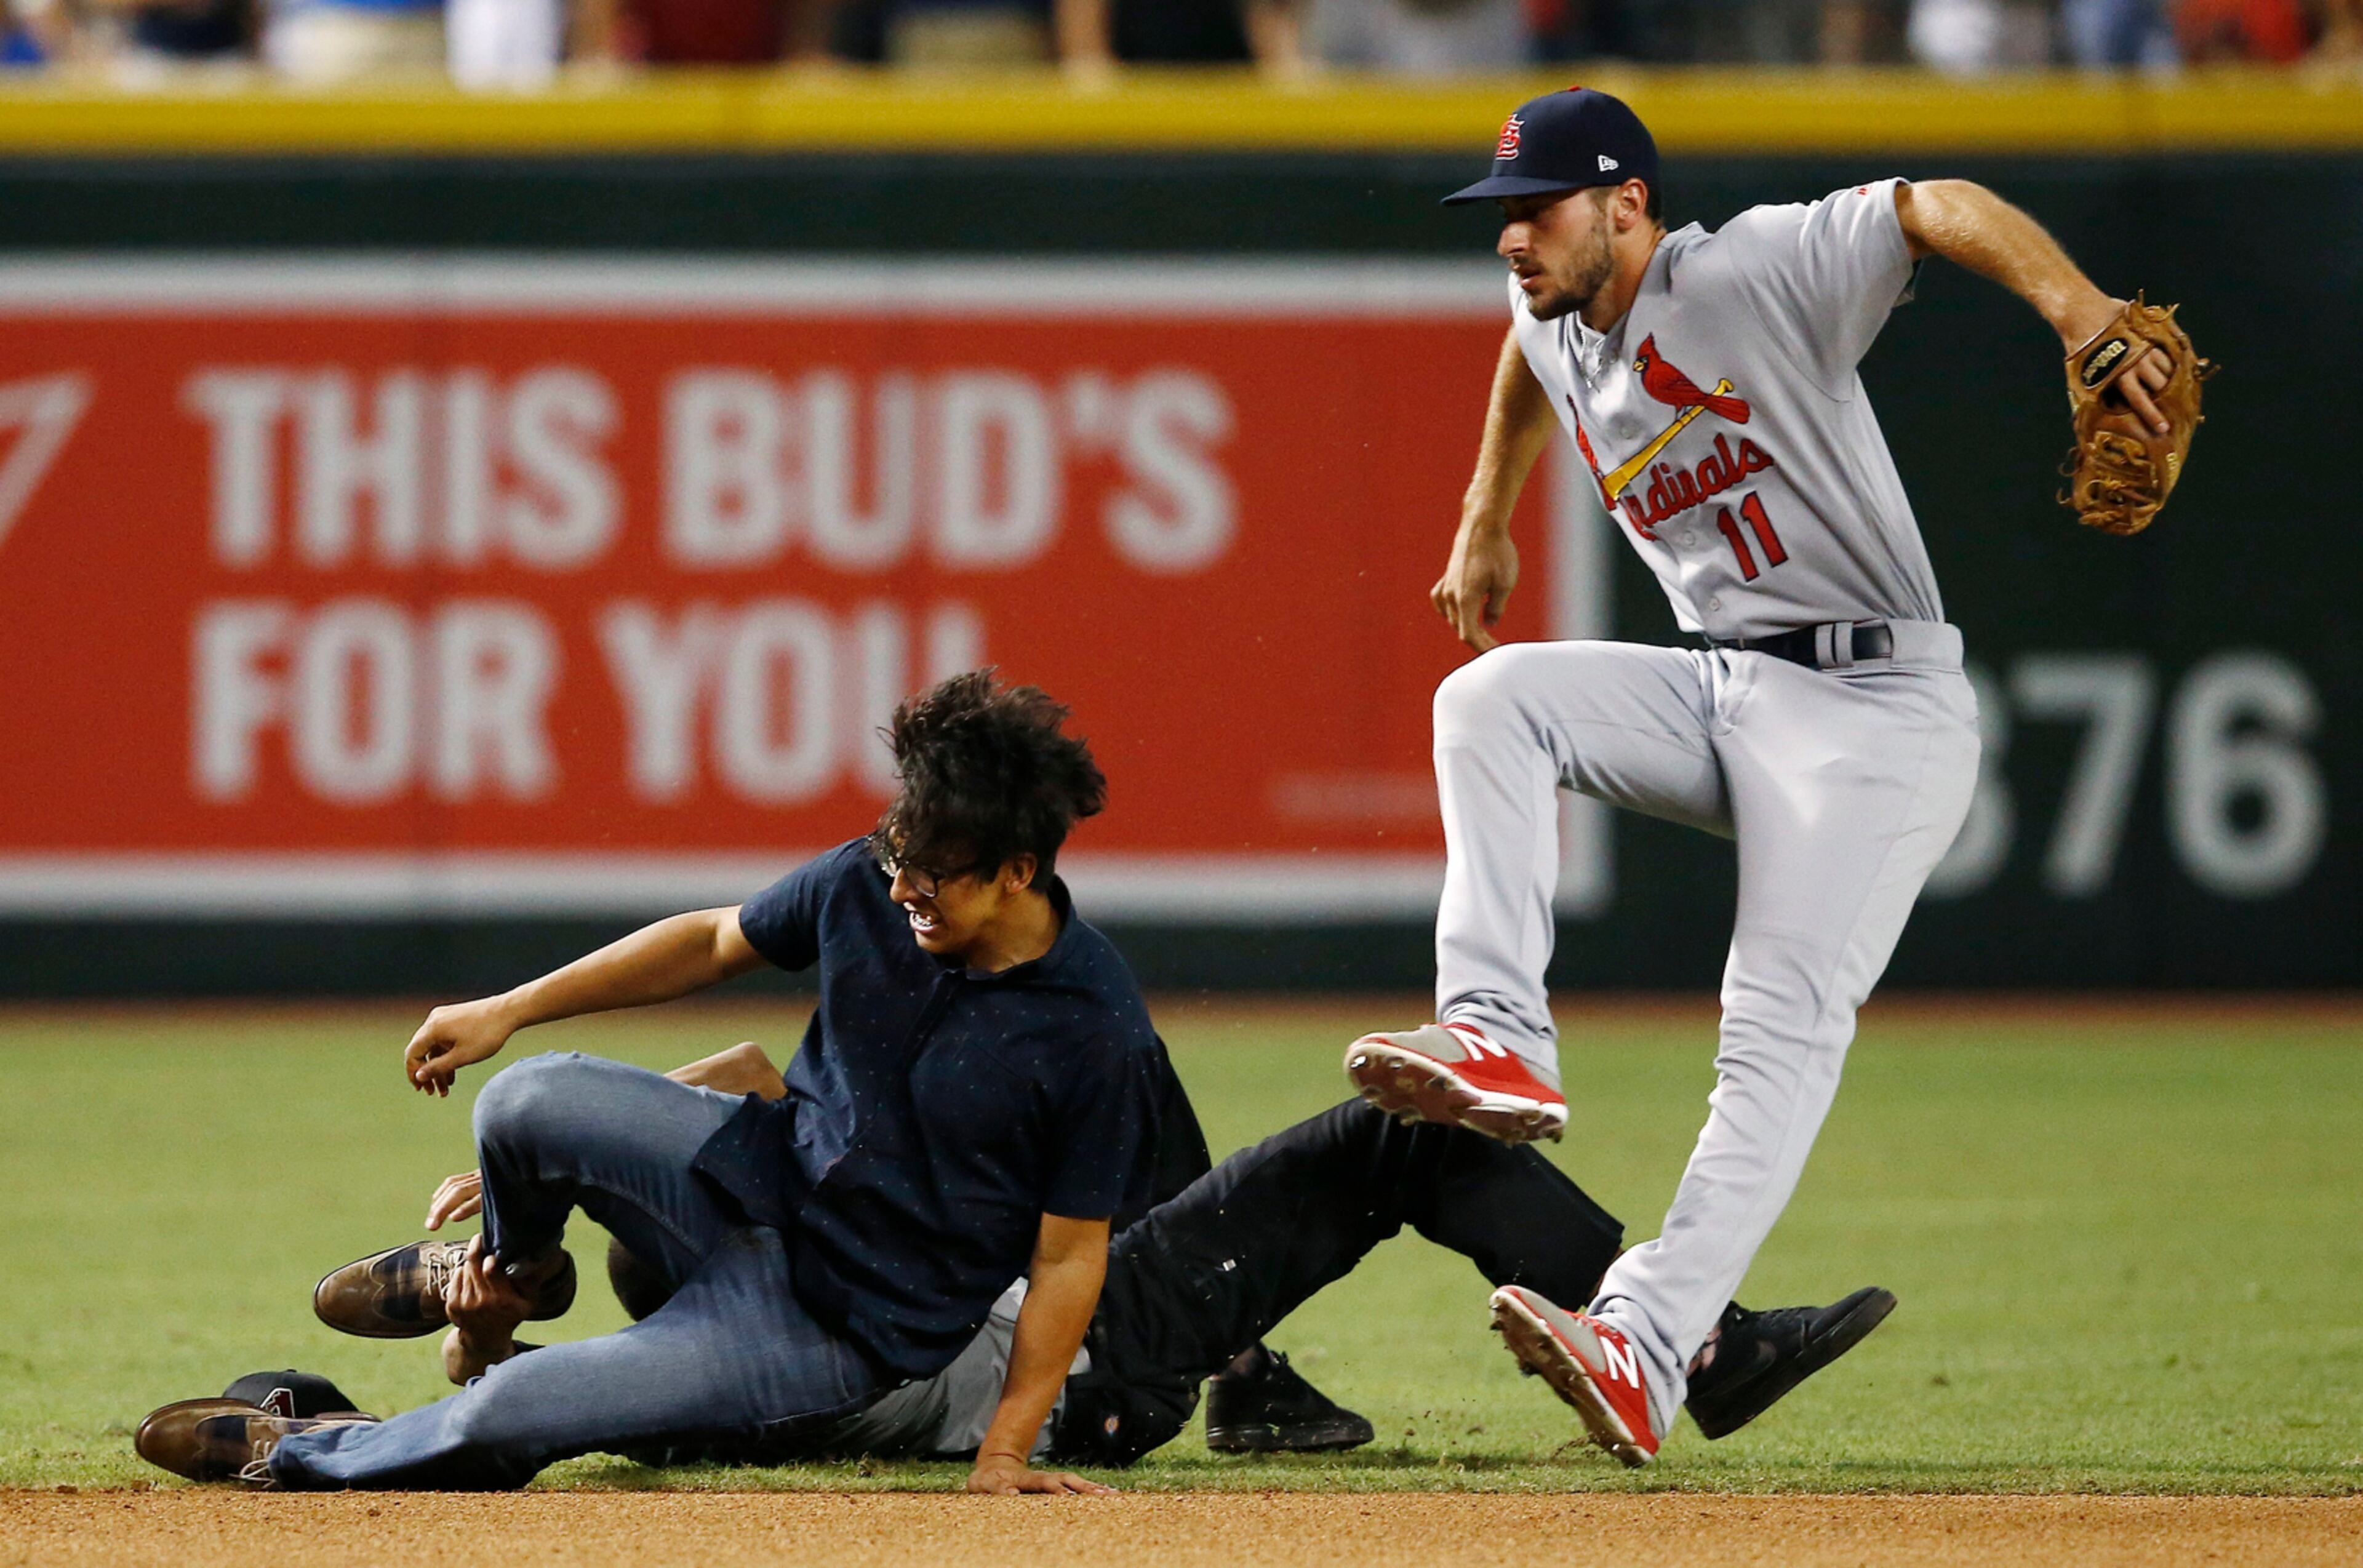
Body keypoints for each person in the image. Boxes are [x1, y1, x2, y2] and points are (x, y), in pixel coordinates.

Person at [1344, 86, 2178, 1466]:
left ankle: (1648, 1341)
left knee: (1772, 1020)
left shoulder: (1749, 269)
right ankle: (1499, 1032)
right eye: (1500, 217)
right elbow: (1523, 366)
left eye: (1536, 210)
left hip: (1874, 705)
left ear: (1626, 203)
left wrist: (2079, 308)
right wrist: (1485, 512)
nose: (1511, 242)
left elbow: (1938, 207)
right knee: (1491, 699)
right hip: (1732, 681)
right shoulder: (1555, 318)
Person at [140, 671, 1169, 1495]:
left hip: (839, 1329)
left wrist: (1004, 1453)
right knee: (526, 1099)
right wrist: (511, 1008)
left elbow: (1071, 1258)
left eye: (931, 871)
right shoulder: (873, 882)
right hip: (750, 1181)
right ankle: (515, 1267)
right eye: (898, 854)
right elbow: (715, 940)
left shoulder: (1094, 1031)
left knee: (519, 1413)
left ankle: (297, 1447)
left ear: (1018, 871)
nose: (900, 886)